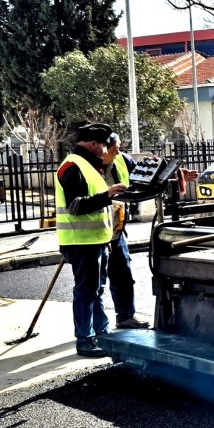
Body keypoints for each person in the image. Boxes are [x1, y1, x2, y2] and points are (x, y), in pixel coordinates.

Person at [55, 123, 128, 358]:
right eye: (104, 145)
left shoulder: (88, 166)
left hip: (95, 241)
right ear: (93, 144)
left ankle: (101, 333)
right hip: (80, 242)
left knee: (96, 290)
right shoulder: (73, 166)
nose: (106, 150)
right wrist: (106, 196)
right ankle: (85, 339)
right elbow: (75, 206)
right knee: (86, 292)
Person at [102, 132, 149, 330]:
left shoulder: (122, 160)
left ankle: (125, 316)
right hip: (94, 233)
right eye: (114, 149)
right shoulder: (84, 167)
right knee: (93, 285)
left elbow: (144, 176)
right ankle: (94, 328)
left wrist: (174, 174)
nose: (118, 152)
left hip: (116, 229)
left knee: (123, 274)